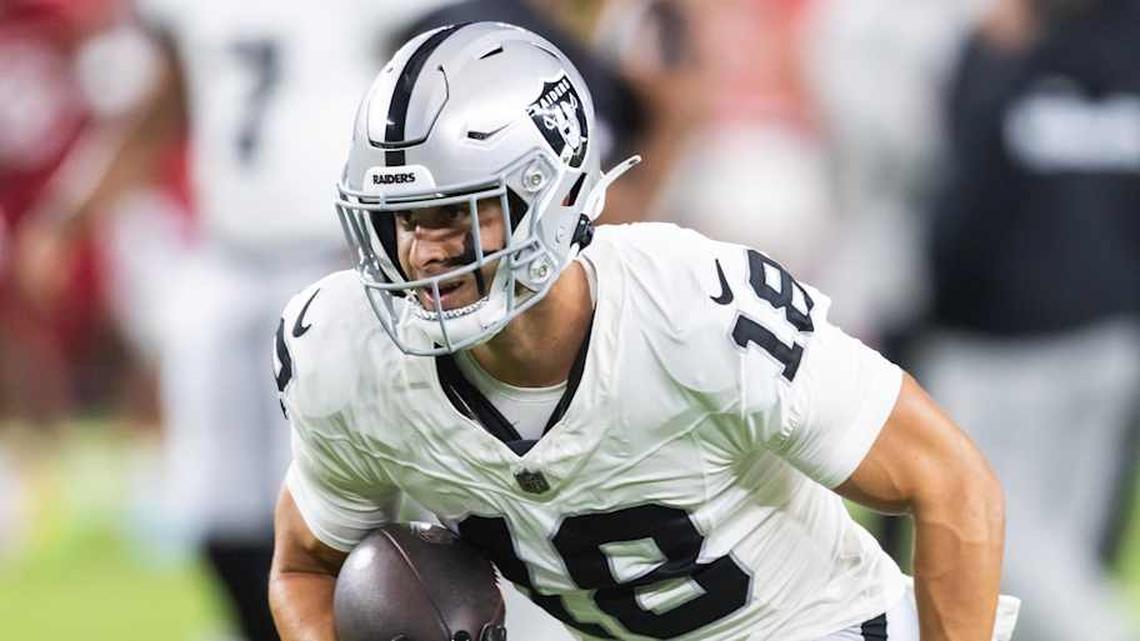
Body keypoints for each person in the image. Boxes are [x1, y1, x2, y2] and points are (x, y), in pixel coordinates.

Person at [269, 23, 1012, 641]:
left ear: (551, 195)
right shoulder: (347, 352)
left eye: (456, 214)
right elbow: (305, 568)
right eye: (400, 220)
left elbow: (950, 480)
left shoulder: (696, 313)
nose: (421, 251)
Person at [12, 1, 450, 639]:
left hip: (334, 255)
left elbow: (431, 87)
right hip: (225, 252)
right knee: (214, 506)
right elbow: (167, 105)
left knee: (328, 505)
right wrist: (73, 209)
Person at [918, 0, 1140, 639]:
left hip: (1050, 343)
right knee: (1039, 561)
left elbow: (959, 205)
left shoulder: (1009, 48)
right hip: (1012, 338)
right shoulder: (1002, 45)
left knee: (1004, 552)